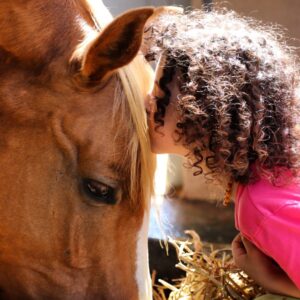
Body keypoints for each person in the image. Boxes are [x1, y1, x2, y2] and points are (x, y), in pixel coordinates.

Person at [144, 8, 300, 298]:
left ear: (203, 111)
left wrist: (267, 279)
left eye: (158, 94)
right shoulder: (272, 175)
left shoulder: (261, 207)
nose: (146, 102)